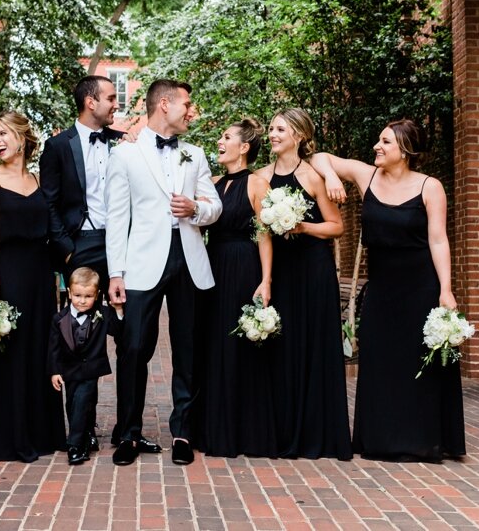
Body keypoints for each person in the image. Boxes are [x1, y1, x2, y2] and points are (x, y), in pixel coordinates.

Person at [312, 119, 465, 462]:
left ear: (405, 150)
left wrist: (446, 289)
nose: (376, 147)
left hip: (421, 286)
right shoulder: (366, 177)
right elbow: (320, 157)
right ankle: (380, 439)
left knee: (418, 364)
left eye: (385, 142)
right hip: (381, 287)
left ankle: (423, 441)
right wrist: (334, 176)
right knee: (380, 361)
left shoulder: (429, 187)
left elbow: (438, 239)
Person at [104, 78, 222, 466]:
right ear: (165, 104)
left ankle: (183, 433)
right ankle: (128, 434)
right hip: (140, 262)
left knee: (188, 348)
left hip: (189, 258)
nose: (191, 111)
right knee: (134, 346)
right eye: (186, 104)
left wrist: (196, 210)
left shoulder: (196, 153)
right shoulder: (126, 156)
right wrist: (115, 273)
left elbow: (214, 205)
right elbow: (118, 217)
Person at [0, 112, 62, 463]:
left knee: (39, 348)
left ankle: (42, 432)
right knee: (11, 350)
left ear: (22, 137)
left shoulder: (38, 181)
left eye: (3, 133)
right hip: (7, 272)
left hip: (39, 276)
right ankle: (9, 435)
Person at [265, 108, 351, 460]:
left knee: (313, 345)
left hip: (313, 269)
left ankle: (318, 432)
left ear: (298, 135)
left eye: (280, 129)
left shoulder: (314, 176)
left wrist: (302, 228)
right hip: (282, 270)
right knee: (283, 347)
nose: (272, 134)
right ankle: (283, 429)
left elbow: (336, 226)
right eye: (271, 128)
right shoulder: (261, 177)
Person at [193, 118, 278, 458]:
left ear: (244, 147)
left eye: (226, 137)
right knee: (213, 344)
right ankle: (212, 428)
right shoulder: (211, 183)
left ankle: (245, 432)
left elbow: (264, 234)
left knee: (240, 346)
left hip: (244, 267)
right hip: (212, 266)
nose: (219, 141)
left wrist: (266, 279)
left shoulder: (258, 184)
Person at [41, 76, 121, 282]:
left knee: (122, 312)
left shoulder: (123, 141)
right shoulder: (57, 146)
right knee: (81, 312)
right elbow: (49, 203)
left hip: (120, 243)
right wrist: (67, 250)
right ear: (90, 103)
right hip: (79, 244)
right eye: (111, 99)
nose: (117, 105)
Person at [49, 268, 119, 466]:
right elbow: (53, 348)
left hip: (91, 369)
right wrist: (54, 371)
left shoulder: (102, 314)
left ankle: (75, 445)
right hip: (69, 370)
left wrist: (118, 311)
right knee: (73, 403)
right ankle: (89, 434)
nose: (82, 300)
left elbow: (116, 330)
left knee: (82, 399)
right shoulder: (59, 319)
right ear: (70, 293)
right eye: (78, 295)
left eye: (88, 296)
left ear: (96, 295)